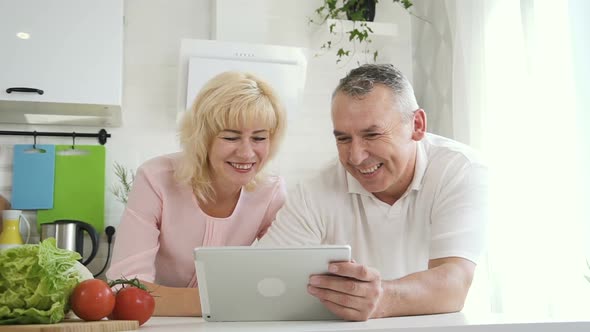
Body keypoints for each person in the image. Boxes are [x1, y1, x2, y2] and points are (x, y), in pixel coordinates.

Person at [258, 64, 488, 321]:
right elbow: (262, 278)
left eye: (372, 134)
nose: (355, 157)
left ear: (417, 125)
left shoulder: (458, 169)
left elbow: (454, 285)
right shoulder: (314, 191)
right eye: (343, 139)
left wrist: (382, 298)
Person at [107, 71, 287, 316]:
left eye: (259, 138)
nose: (247, 153)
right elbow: (126, 289)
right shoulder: (156, 179)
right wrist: (233, 301)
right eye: (231, 137)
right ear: (203, 138)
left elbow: (285, 282)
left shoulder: (271, 192)